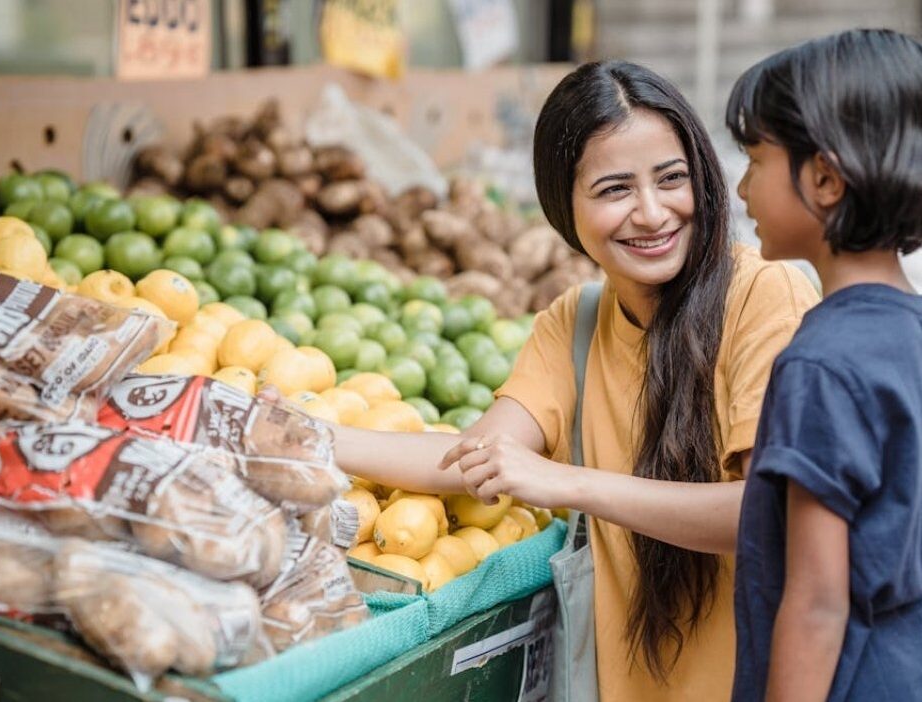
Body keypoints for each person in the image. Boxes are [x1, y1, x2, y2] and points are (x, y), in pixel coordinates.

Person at [333, 60, 818, 700]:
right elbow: (470, 459)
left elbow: (769, 511)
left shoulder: (765, 295)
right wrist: (307, 437)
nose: (653, 213)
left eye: (672, 178)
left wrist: (570, 483)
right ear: (563, 205)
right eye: (615, 189)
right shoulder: (576, 322)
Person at [725, 29, 922, 702]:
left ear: (826, 179)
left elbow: (817, 605)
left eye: (755, 159)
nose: (742, 188)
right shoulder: (916, 327)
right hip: (921, 670)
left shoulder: (820, 362)